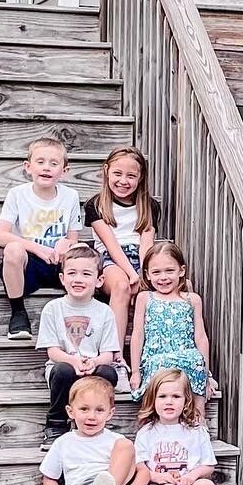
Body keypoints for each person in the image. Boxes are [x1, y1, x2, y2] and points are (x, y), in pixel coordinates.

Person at [84, 146, 161, 382]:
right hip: (110, 259)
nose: (123, 181)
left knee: (173, 289)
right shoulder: (95, 205)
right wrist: (131, 274)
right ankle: (116, 356)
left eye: (131, 176)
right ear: (106, 171)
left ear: (141, 178)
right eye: (117, 173)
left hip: (142, 259)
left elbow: (147, 242)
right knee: (121, 287)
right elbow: (110, 244)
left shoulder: (149, 205)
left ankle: (160, 356)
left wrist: (145, 273)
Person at [0, 135, 82, 340]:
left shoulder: (70, 196)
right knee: (12, 249)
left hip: (58, 261)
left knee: (85, 255)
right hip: (30, 264)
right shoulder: (17, 194)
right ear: (28, 166)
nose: (46, 168)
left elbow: (73, 238)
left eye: (54, 163)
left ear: (64, 171)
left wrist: (66, 243)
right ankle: (18, 312)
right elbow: (0, 235)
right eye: (40, 162)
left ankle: (79, 315)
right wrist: (35, 248)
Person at [37, 244, 121, 447]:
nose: (78, 279)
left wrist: (94, 362)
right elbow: (53, 351)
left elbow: (108, 354)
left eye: (86, 274)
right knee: (62, 371)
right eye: (72, 273)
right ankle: (56, 423)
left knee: (109, 374)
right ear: (62, 278)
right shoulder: (52, 309)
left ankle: (97, 423)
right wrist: (72, 360)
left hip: (91, 368)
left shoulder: (105, 312)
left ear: (99, 280)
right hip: (64, 367)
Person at [129, 241, 217, 400]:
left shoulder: (192, 300)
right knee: (160, 365)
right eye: (156, 272)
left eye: (169, 271)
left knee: (196, 360)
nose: (163, 277)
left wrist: (206, 374)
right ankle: (153, 421)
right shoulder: (145, 298)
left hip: (186, 360)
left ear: (181, 271)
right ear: (147, 274)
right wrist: (135, 372)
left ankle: (199, 418)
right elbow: (137, 335)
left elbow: (201, 337)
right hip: (156, 361)